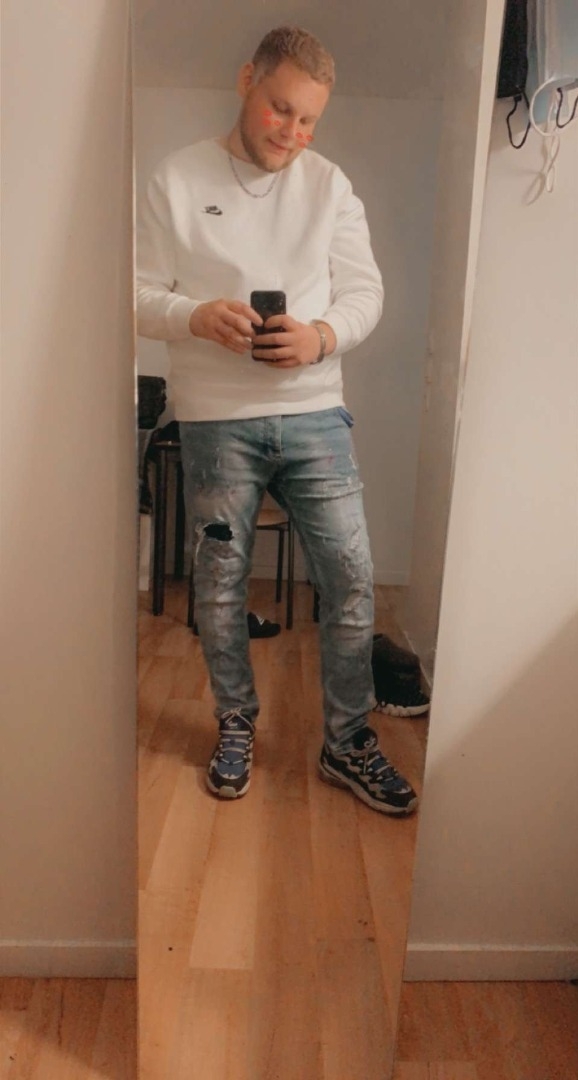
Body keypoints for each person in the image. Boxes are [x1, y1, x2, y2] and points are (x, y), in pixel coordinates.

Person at [136, 25, 418, 815]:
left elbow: (365, 293)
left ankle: (347, 740)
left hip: (315, 411)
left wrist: (320, 336)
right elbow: (133, 290)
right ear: (246, 81)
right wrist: (195, 316)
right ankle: (235, 723)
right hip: (214, 418)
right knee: (219, 585)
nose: (293, 132)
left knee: (351, 577)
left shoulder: (330, 186)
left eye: (308, 121)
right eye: (281, 109)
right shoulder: (176, 177)